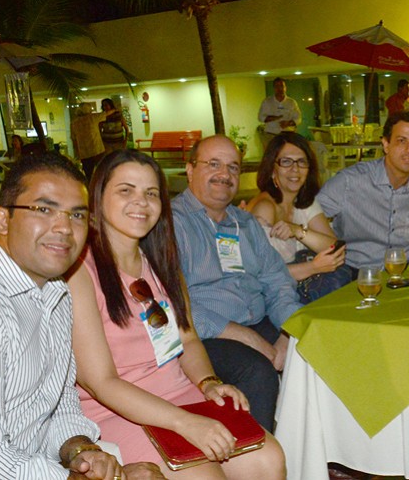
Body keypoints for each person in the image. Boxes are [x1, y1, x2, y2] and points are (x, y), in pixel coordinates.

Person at [0, 153, 160, 479]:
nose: (64, 227)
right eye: (44, 209)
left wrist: (82, 451)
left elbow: (59, 403)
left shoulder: (55, 292)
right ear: (3, 220)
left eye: (77, 214)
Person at [69, 149, 285, 478]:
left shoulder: (161, 261)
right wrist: (185, 423)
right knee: (205, 475)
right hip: (118, 410)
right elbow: (101, 383)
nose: (141, 202)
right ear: (98, 198)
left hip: (181, 393)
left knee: (269, 458)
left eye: (151, 193)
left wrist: (208, 383)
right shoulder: (80, 272)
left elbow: (189, 339)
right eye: (126, 190)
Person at [172, 135, 301, 431]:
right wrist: (245, 336)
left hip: (258, 320)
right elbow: (173, 305)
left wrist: (288, 330)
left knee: (311, 348)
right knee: (257, 371)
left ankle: (308, 449)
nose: (224, 174)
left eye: (232, 167)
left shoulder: (245, 223)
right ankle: (260, 455)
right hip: (204, 335)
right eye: (213, 164)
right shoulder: (170, 224)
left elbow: (277, 280)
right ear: (190, 170)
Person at [317, 111, 409, 270]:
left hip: (403, 272)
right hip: (352, 272)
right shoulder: (350, 181)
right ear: (386, 144)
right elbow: (307, 213)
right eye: (402, 141)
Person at [246, 132, 351, 303]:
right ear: (272, 169)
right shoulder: (264, 208)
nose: (295, 169)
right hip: (272, 301)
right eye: (286, 162)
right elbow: (259, 274)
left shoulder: (303, 202)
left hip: (299, 292)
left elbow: (334, 247)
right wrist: (313, 267)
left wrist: (298, 231)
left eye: (301, 162)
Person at [258, 77, 301, 148]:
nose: (280, 88)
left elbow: (298, 118)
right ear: (274, 88)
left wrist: (288, 123)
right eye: (277, 86)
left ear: (285, 88)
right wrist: (274, 118)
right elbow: (261, 117)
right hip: (271, 135)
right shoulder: (267, 101)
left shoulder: (291, 102)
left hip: (288, 135)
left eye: (282, 86)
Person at [71, 103, 108, 181]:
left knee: (88, 175)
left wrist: (77, 152)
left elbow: (74, 139)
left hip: (84, 153)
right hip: (97, 150)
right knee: (102, 171)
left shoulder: (74, 123)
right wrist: (115, 109)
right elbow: (105, 114)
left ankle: (90, 187)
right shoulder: (92, 118)